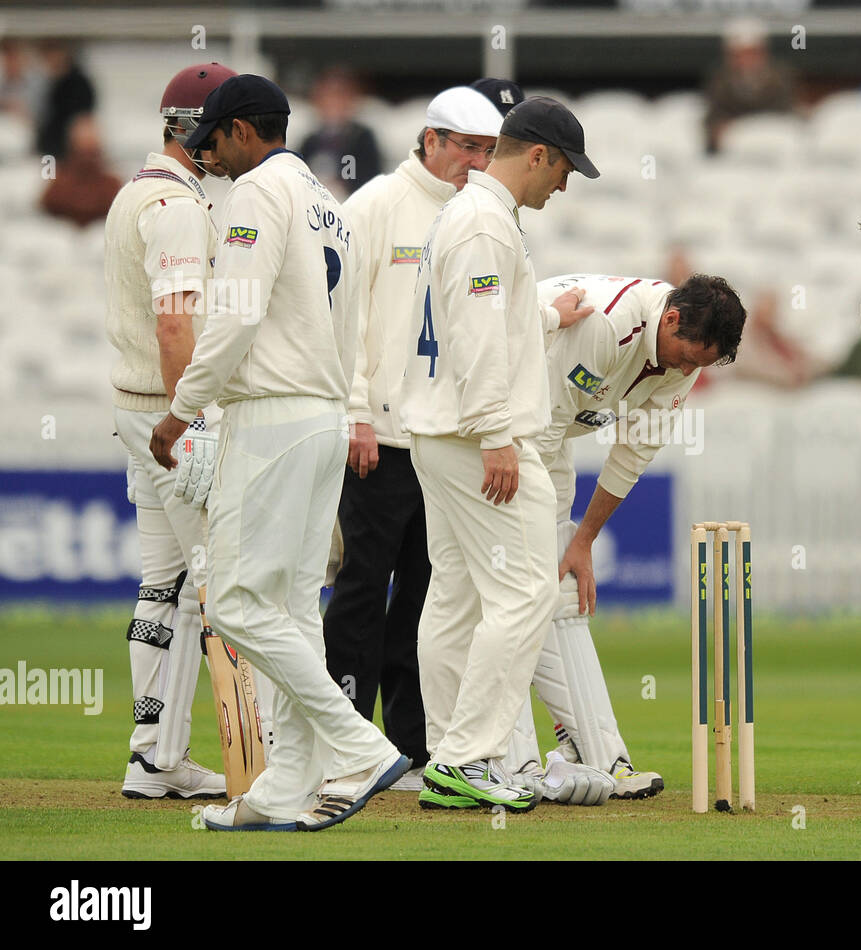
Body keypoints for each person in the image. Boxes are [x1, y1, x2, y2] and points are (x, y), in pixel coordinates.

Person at [150, 74, 408, 831]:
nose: (213, 162)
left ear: (239, 131)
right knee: (292, 612)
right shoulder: (330, 202)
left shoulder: (260, 192)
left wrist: (179, 412)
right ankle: (284, 787)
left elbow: (232, 320)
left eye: (214, 145)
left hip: (272, 417)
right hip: (325, 417)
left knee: (230, 600)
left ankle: (357, 744)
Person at [399, 96, 600, 812]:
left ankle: (448, 756)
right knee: (524, 595)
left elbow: (483, 319)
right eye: (565, 169)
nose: (565, 185)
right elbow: (479, 340)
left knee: (454, 599)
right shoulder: (485, 221)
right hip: (473, 437)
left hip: (437, 433)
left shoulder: (468, 215)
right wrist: (497, 435)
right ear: (537, 154)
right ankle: (466, 758)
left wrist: (548, 315)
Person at [322, 80, 522, 793]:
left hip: (440, 439)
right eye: (465, 146)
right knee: (361, 588)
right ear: (430, 140)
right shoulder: (377, 203)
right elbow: (342, 315)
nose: (475, 160)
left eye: (487, 150)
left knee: (425, 597)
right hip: (378, 434)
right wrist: (355, 413)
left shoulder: (480, 215)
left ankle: (408, 747)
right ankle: (344, 738)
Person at [503, 272, 747, 799]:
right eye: (687, 355)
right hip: (497, 432)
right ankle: (509, 763)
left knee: (562, 595)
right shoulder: (609, 323)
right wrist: (546, 529)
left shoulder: (684, 357)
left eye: (699, 365)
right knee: (516, 592)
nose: (686, 370)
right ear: (671, 318)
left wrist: (582, 540)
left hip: (550, 435)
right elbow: (538, 421)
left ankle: (596, 755)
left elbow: (633, 453)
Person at [105, 62, 237, 801]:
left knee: (164, 585)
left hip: (136, 410)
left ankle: (151, 755)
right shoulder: (179, 206)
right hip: (166, 414)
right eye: (221, 129)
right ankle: (178, 759)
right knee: (214, 582)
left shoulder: (136, 193)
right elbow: (173, 318)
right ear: (195, 130)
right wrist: (195, 419)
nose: (229, 144)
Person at [702, 18, 798, 154]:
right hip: (732, 151)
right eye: (738, 55)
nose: (745, 60)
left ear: (762, 53)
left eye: (750, 53)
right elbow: (713, 116)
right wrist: (718, 130)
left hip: (774, 144)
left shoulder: (781, 77)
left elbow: (788, 113)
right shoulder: (720, 79)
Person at [298, 68, 381, 198]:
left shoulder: (361, 139)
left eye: (339, 97)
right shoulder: (310, 141)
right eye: (327, 97)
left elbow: (369, 178)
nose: (333, 104)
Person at [40, 113, 120, 227]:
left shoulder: (112, 184)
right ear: (72, 149)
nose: (87, 161)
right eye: (82, 153)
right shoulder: (58, 183)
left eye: (92, 153)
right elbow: (47, 206)